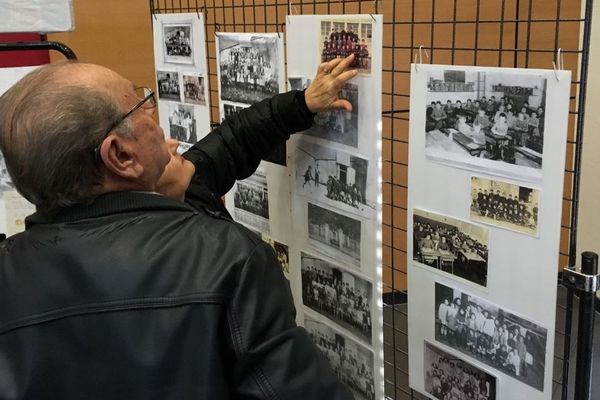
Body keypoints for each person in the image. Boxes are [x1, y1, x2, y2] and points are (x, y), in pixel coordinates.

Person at [0, 55, 359, 399]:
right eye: (140, 105)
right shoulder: (228, 258)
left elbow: (232, 141)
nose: (156, 118)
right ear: (121, 156)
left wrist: (302, 104)